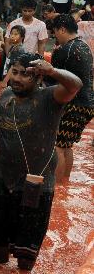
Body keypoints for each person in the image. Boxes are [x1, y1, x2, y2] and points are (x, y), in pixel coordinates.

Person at [0, 53, 81, 271]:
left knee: (25, 261)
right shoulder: (5, 95)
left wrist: (53, 71)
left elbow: (75, 85)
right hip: (2, 179)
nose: (17, 78)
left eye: (25, 74)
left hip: (36, 184)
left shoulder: (50, 98)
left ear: (38, 78)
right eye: (14, 72)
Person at [49, 15, 94, 183]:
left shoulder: (64, 50)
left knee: (58, 146)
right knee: (67, 145)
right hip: (89, 103)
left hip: (73, 104)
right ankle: (64, 184)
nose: (56, 37)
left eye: (55, 33)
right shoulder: (85, 46)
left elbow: (52, 81)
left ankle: (55, 188)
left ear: (61, 29)